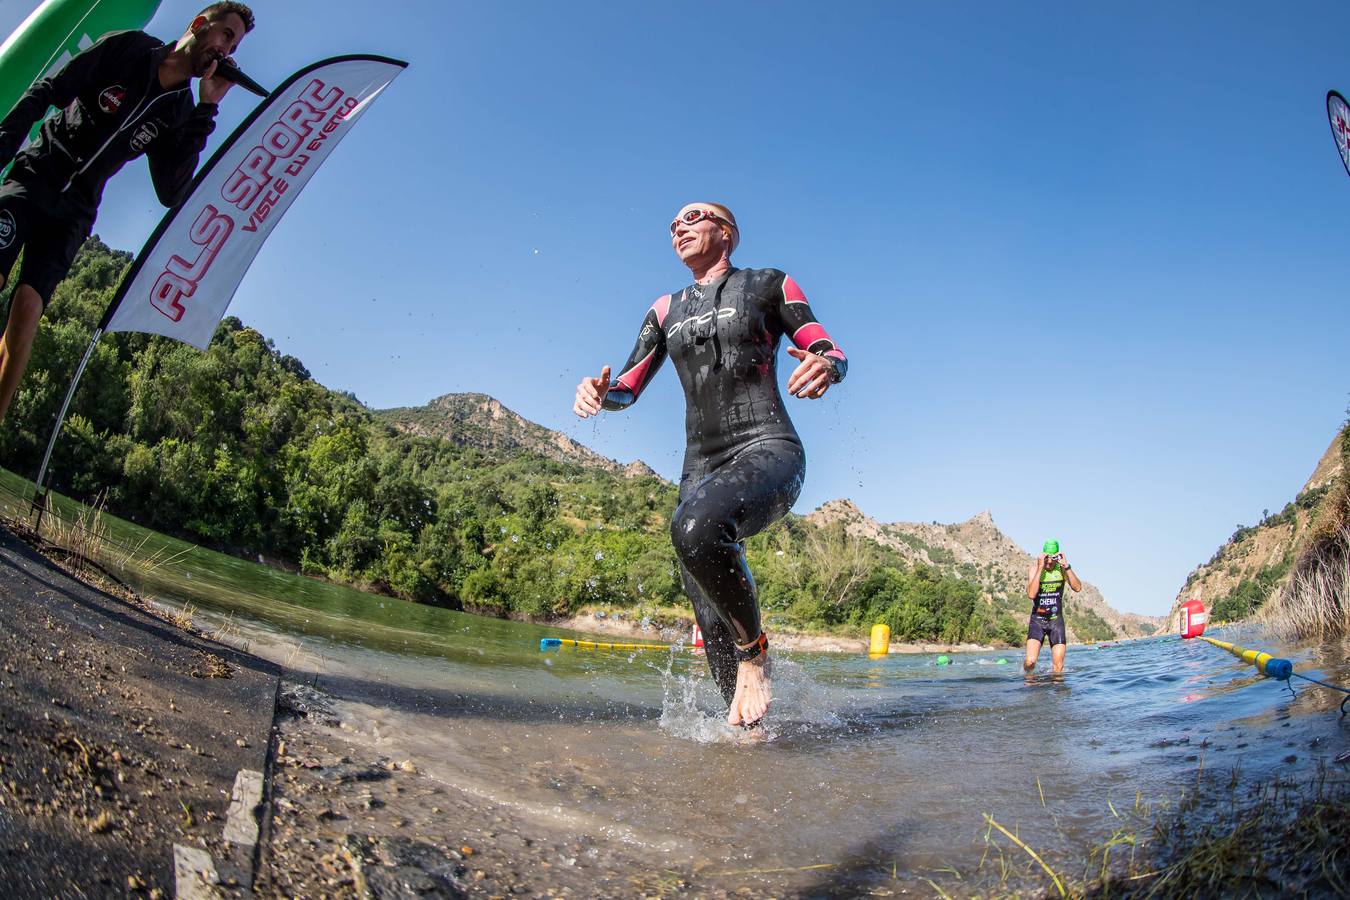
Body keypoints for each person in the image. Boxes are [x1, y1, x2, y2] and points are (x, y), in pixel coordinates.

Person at [573, 202, 848, 727]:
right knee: (707, 606)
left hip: (768, 447)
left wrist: (827, 365)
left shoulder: (770, 284)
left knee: (696, 528)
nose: (678, 227)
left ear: (726, 233)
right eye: (672, 224)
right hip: (700, 465)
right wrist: (601, 392)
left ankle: (756, 652)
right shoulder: (664, 308)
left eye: (691, 217)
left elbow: (826, 345)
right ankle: (747, 737)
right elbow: (628, 386)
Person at [0, 2, 256, 423]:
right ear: (198, 25)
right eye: (226, 35)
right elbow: (48, 91)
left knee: (27, 312)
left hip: (77, 208)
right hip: (38, 174)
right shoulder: (129, 49)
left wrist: (207, 108)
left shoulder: (178, 109)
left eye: (235, 46)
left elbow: (171, 190)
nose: (227, 52)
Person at [1023, 539, 1081, 674]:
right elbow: (1031, 594)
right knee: (1030, 663)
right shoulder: (1034, 569)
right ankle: (1028, 683)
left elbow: (1077, 588)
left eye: (1052, 559)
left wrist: (1066, 566)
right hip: (1037, 620)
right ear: (1043, 555)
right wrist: (1040, 567)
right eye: (1047, 559)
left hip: (1056, 621)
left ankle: (1056, 693)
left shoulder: (1061, 570)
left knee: (1058, 665)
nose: (1049, 563)